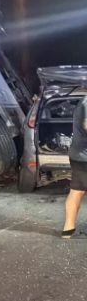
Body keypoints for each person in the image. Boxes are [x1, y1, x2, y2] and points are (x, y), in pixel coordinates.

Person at [63, 94, 87, 238]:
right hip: (83, 157)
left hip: (80, 155)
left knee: (78, 191)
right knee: (77, 191)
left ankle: (68, 230)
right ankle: (68, 230)